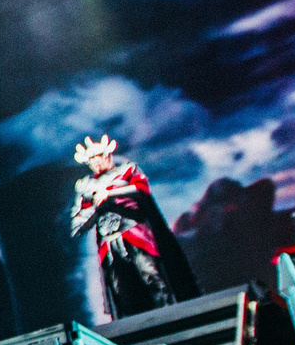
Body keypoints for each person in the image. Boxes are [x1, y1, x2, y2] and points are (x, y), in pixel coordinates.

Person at [69, 136, 199, 320]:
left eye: (99, 156)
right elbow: (77, 226)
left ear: (107, 155)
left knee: (152, 277)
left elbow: (142, 189)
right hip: (108, 243)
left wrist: (110, 194)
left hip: (134, 233)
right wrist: (96, 208)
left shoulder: (127, 170)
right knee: (122, 292)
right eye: (92, 159)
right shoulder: (85, 186)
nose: (96, 162)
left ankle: (170, 316)